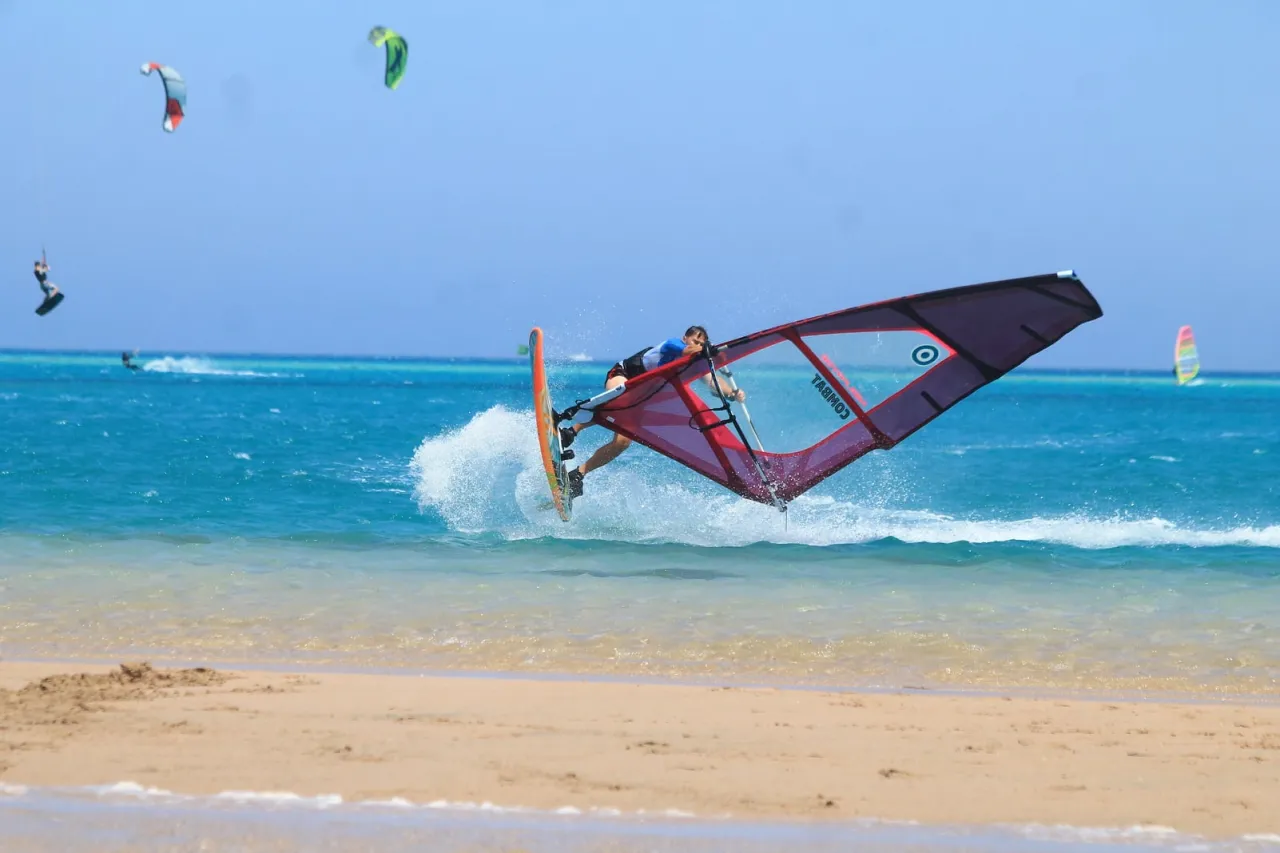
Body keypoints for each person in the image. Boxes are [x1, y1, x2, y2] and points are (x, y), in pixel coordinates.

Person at [559, 325, 745, 498]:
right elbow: (687, 351)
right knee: (620, 400)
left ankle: (578, 474)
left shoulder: (693, 361)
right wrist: (706, 350)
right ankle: (570, 432)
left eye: (701, 344)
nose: (697, 345)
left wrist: (732, 393)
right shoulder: (673, 344)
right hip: (623, 375)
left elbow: (713, 381)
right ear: (685, 338)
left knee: (622, 443)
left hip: (640, 397)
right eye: (695, 341)